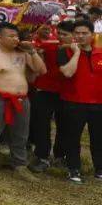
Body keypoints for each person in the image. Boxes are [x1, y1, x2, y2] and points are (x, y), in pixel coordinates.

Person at [0, 23, 45, 182]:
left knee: (21, 134)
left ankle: (20, 165)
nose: (16, 39)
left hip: (22, 99)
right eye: (11, 36)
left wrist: (33, 51)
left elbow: (41, 70)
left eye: (17, 36)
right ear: (0, 38)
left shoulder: (23, 53)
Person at [56, 19, 102, 184]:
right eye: (77, 33)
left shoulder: (100, 53)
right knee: (72, 137)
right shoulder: (64, 52)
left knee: (98, 137)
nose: (81, 36)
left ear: (92, 35)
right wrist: (76, 53)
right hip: (73, 102)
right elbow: (67, 73)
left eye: (85, 33)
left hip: (98, 103)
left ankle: (99, 168)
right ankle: (74, 169)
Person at [28, 21, 70, 172]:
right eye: (59, 33)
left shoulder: (79, 50)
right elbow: (32, 47)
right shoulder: (47, 45)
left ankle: (60, 156)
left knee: (65, 126)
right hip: (44, 90)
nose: (61, 37)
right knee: (41, 125)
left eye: (65, 35)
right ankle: (41, 156)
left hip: (67, 93)